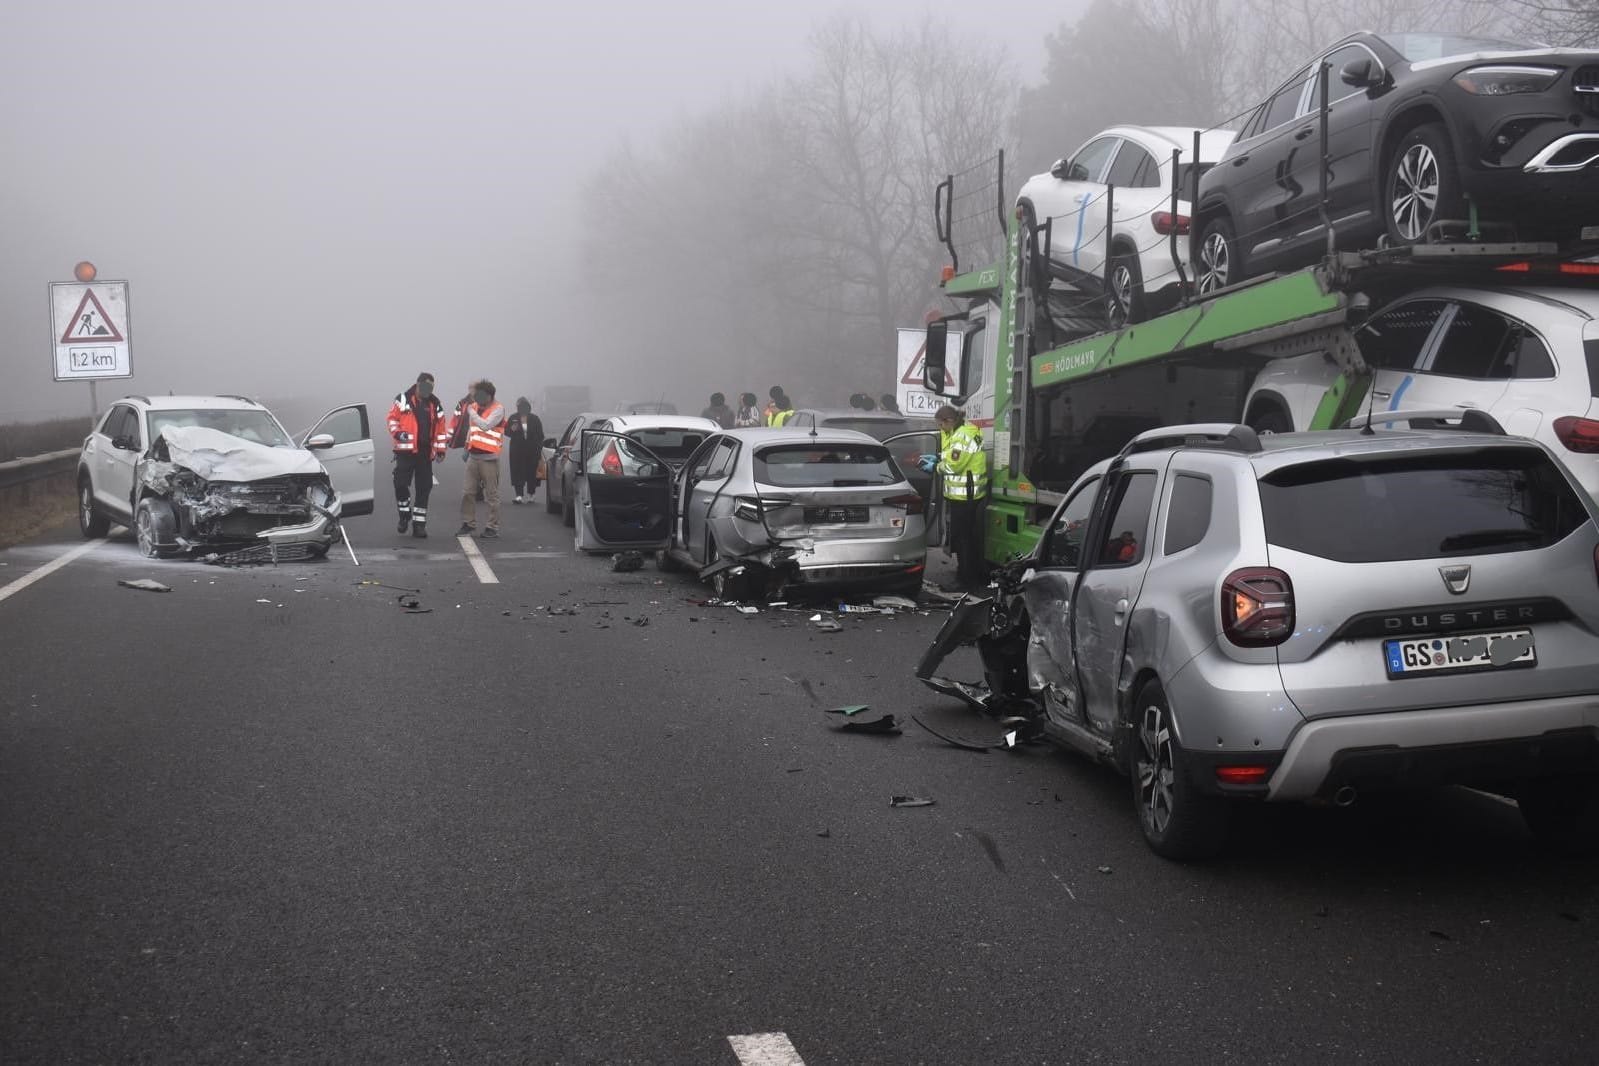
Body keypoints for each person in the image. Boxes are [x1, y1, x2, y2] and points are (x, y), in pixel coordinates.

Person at [921, 404, 988, 590]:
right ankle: (973, 574)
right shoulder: (961, 432)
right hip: (968, 495)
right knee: (968, 536)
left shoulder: (962, 435)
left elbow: (955, 465)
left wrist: (935, 467)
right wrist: (938, 456)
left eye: (940, 425)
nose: (940, 429)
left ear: (949, 421)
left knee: (963, 537)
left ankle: (966, 578)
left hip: (965, 496)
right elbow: (954, 454)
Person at [386, 372, 450, 538]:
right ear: (418, 384)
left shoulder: (435, 404)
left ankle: (419, 525)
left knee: (424, 488)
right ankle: (404, 514)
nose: (428, 390)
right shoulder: (402, 399)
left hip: (425, 452)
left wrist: (441, 449)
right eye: (425, 386)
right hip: (405, 451)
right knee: (400, 484)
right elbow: (392, 419)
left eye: (431, 387)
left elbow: (441, 429)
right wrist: (398, 433)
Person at [456, 380, 506, 538]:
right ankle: (468, 523)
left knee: (492, 495)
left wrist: (471, 412)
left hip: (489, 458)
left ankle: (492, 527)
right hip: (473, 456)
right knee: (467, 492)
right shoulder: (476, 407)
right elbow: (472, 429)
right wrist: (466, 446)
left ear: (489, 396)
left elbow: (485, 425)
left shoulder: (498, 409)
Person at [505, 396, 544, 505]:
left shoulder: (535, 419)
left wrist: (538, 446)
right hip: (517, 450)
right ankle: (519, 495)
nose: (523, 409)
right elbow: (506, 432)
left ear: (528, 407)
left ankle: (531, 494)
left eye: (525, 406)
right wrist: (511, 430)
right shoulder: (513, 418)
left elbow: (541, 435)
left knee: (532, 472)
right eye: (520, 407)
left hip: (532, 450)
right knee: (517, 471)